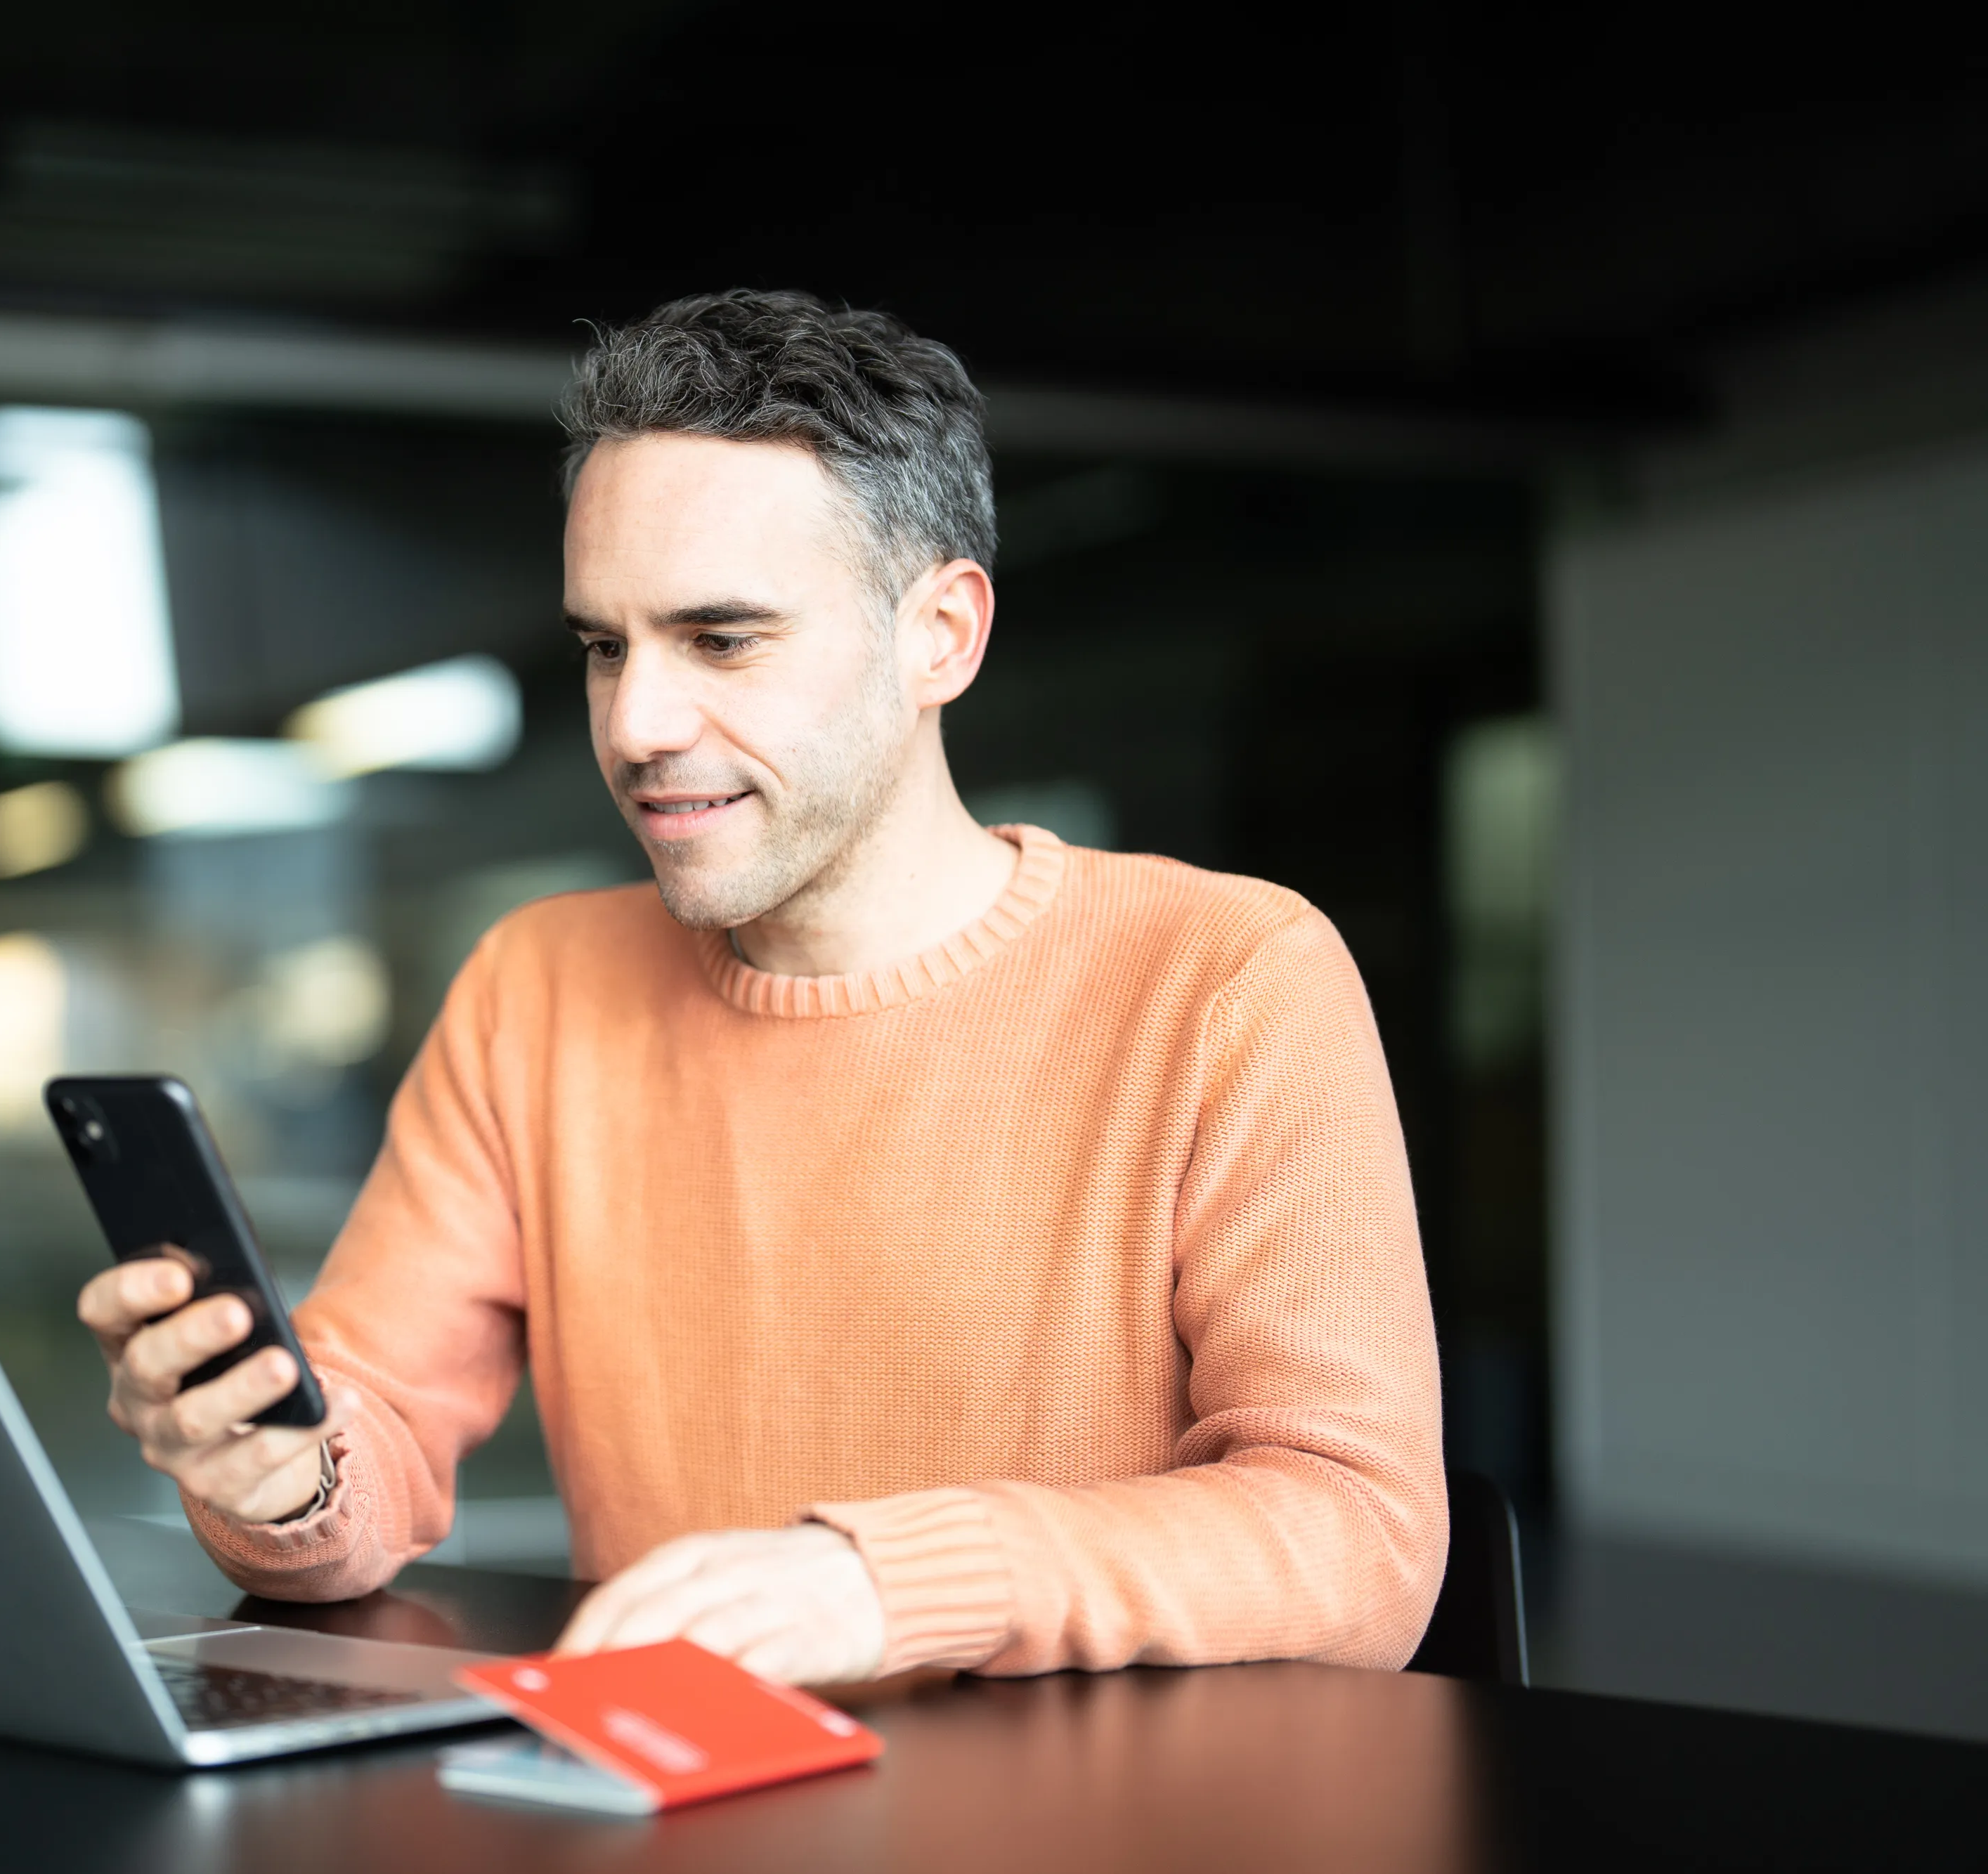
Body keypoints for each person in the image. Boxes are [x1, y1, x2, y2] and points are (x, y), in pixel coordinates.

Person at [79, 289, 1445, 1686]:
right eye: (604, 647)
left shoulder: (1227, 977)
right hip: (680, 1805)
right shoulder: (533, 989)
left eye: (721, 640)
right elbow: (359, 1454)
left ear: (941, 636)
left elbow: (1360, 1529)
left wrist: (883, 1585)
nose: (635, 725)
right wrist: (275, 1473)